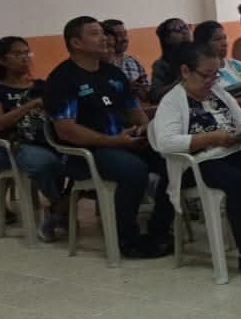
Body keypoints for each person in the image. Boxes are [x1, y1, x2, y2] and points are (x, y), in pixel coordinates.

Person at [152, 42, 241, 286]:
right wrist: (212, 137)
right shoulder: (172, 101)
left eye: (215, 75)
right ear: (185, 71)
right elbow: (166, 143)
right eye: (206, 75)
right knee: (236, 183)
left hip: (232, 150)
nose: (212, 81)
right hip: (201, 161)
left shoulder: (217, 91)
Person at [45, 16, 173, 259]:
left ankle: (159, 230)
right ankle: (126, 239)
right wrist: (113, 141)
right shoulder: (63, 79)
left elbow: (133, 110)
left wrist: (146, 130)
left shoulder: (112, 73)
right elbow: (66, 130)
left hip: (124, 141)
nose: (104, 38)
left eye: (103, 33)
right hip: (87, 152)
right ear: (76, 43)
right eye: (95, 34)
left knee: (172, 160)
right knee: (133, 170)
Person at [0, 37, 67, 242]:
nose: (25, 58)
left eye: (27, 53)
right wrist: (31, 104)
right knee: (45, 162)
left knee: (74, 158)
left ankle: (60, 206)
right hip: (12, 147)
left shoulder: (41, 85)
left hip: (48, 140)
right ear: (2, 60)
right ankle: (59, 206)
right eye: (17, 54)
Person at [192, 19, 241, 105]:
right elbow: (215, 103)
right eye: (218, 39)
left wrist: (231, 101)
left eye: (224, 38)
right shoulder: (203, 74)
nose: (224, 43)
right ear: (203, 44)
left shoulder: (238, 65)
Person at [101, 19, 149, 99]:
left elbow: (146, 94)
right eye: (119, 34)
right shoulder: (100, 63)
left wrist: (141, 90)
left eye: (125, 34)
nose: (124, 38)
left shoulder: (134, 62)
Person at [148, 17, 191, 104]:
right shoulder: (161, 64)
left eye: (185, 27)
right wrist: (178, 83)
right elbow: (155, 95)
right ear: (166, 39)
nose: (184, 31)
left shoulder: (202, 55)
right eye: (177, 29)